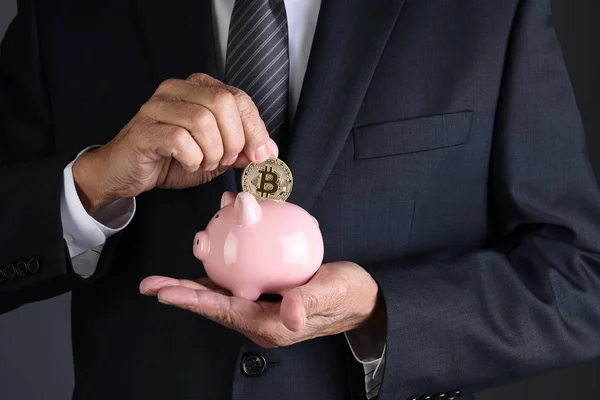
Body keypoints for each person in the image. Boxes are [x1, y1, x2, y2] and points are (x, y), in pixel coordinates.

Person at [1, 0, 599, 399]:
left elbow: (580, 281)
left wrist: (381, 312)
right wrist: (91, 183)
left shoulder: (488, 12)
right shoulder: (64, 12)